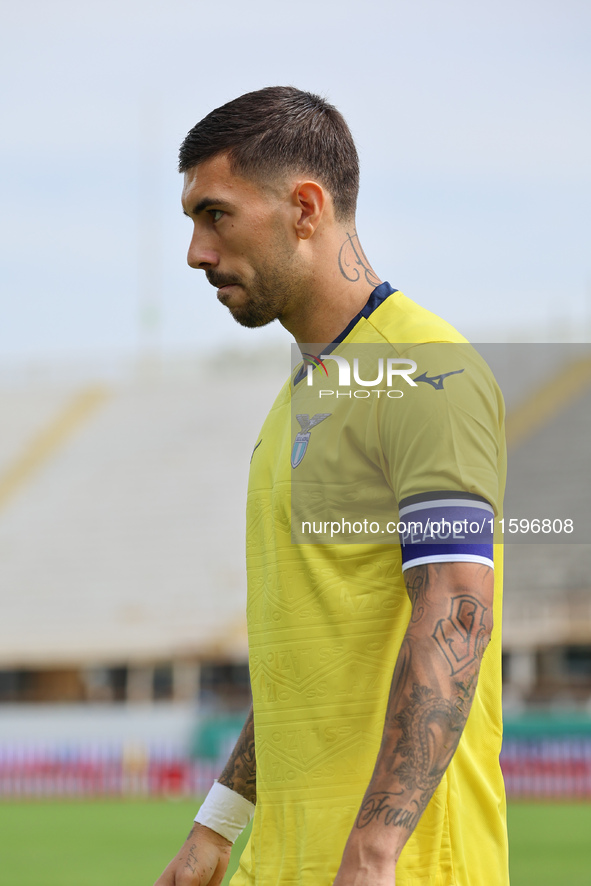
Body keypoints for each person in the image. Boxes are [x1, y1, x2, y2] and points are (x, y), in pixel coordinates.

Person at [155, 86, 509, 886]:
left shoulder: (425, 369)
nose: (195, 252)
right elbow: (306, 659)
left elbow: (457, 611)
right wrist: (219, 825)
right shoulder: (299, 398)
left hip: (403, 870)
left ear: (305, 207)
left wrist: (373, 852)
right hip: (285, 862)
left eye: (214, 214)